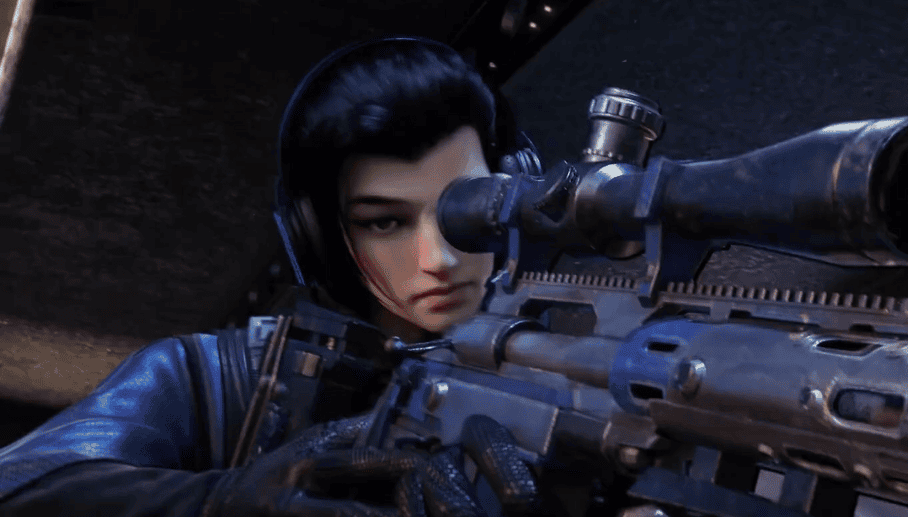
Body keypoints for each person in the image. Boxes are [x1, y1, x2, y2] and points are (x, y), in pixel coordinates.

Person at [0, 36, 544, 516]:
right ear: (321, 237)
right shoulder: (212, 378)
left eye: (464, 210)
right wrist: (218, 501)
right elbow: (20, 489)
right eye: (385, 222)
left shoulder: (550, 369)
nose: (439, 259)